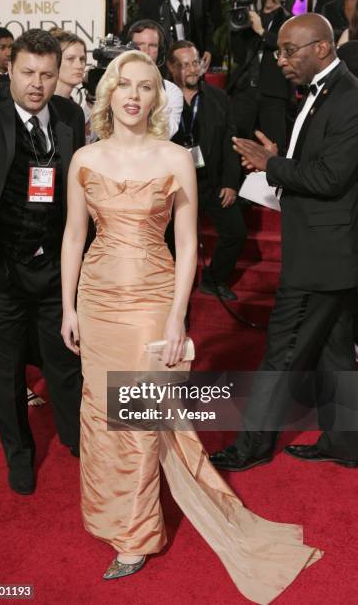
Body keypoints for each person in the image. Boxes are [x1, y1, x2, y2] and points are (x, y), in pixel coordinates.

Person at [61, 48, 322, 603]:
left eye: (146, 86)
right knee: (102, 409)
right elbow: (72, 236)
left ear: (160, 96)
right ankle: (113, 517)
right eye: (124, 85)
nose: (133, 95)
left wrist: (179, 315)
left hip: (152, 299)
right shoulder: (84, 156)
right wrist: (68, 306)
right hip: (98, 297)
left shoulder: (177, 158)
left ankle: (135, 535)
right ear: (110, 93)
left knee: (137, 413)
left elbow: (186, 245)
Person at [210, 13, 358, 472]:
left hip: (321, 255)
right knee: (335, 351)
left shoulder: (350, 99)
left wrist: (271, 166)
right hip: (328, 251)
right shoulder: (326, 95)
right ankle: (348, 442)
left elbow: (331, 177)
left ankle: (251, 445)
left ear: (322, 48)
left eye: (289, 51)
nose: (281, 60)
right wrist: (278, 158)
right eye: (277, 51)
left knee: (283, 349)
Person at [0, 29, 85, 495]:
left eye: (47, 74)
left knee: (65, 359)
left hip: (54, 266)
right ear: (8, 70)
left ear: (59, 75)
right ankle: (19, 454)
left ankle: (77, 439)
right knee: (4, 373)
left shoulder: (70, 115)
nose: (37, 83)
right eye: (28, 72)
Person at [167, 40, 246, 300]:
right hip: (174, 187)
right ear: (170, 67)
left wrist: (231, 183)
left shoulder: (218, 98)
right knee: (170, 241)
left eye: (195, 62)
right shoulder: (162, 100)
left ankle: (213, 280)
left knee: (235, 232)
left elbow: (230, 142)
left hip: (211, 182)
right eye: (184, 64)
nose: (192, 69)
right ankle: (173, 292)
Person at [227, 0, 292, 152]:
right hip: (245, 90)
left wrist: (261, 31)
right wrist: (237, 28)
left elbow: (288, 47)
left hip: (273, 92)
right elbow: (239, 55)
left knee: (274, 145)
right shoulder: (249, 17)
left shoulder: (289, 20)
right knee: (238, 143)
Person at [126, 18, 183, 137]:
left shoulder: (172, 92)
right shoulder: (113, 84)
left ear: (160, 51)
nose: (145, 51)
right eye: (139, 45)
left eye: (152, 45)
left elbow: (166, 134)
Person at [131, 0, 214, 71]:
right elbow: (138, 29)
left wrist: (208, 49)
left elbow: (206, 23)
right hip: (165, 65)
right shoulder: (151, 0)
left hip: (193, 63)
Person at [49, 29, 87, 99]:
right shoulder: (42, 106)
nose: (79, 66)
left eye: (82, 59)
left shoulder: (74, 107)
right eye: (70, 59)